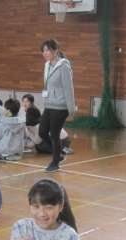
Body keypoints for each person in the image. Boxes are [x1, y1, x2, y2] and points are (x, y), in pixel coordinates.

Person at [39, 39, 75, 172]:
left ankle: (55, 162)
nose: (45, 53)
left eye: (47, 50)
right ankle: (58, 152)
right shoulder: (47, 65)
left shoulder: (63, 66)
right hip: (49, 105)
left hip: (61, 106)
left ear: (55, 51)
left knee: (54, 134)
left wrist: (71, 110)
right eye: (43, 51)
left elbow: (69, 89)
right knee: (42, 132)